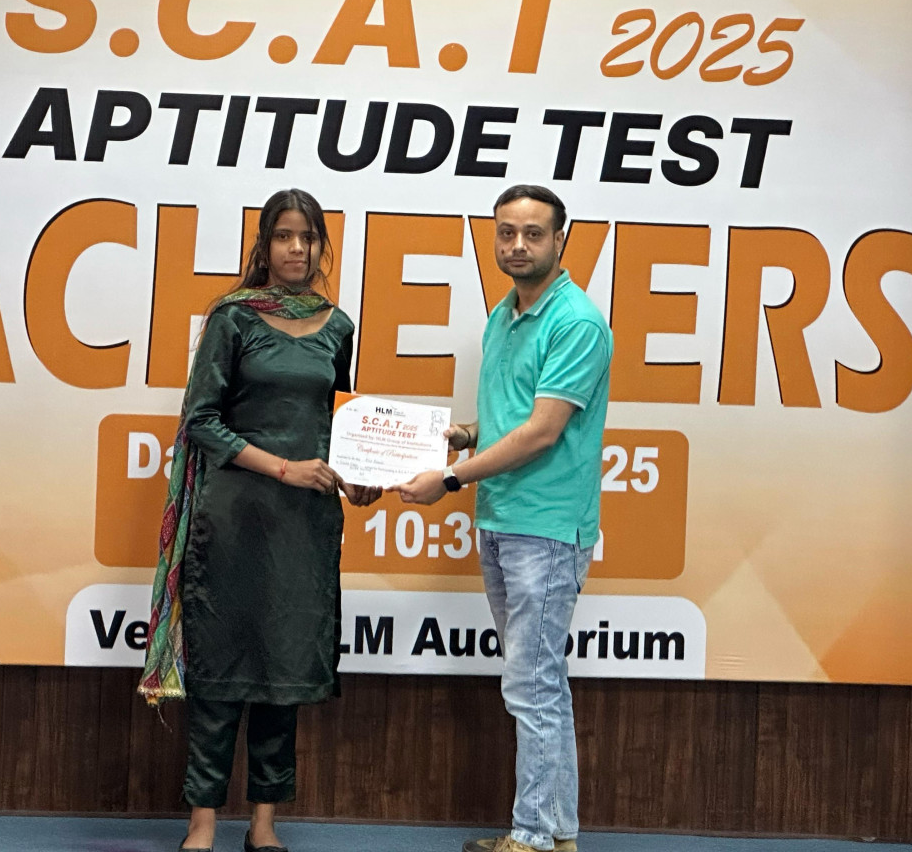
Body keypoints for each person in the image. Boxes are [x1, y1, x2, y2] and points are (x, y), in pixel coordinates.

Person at [139, 188, 380, 852]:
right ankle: (203, 823)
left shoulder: (338, 327)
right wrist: (283, 467)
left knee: (283, 672)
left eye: (308, 237)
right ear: (264, 245)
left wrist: (358, 475)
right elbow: (201, 421)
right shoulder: (234, 318)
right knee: (219, 670)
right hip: (234, 520)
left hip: (304, 527)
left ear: (320, 246)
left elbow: (336, 422)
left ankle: (264, 823)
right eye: (283, 236)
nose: (297, 248)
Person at [394, 184, 612, 852]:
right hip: (501, 519)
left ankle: (531, 837)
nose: (517, 245)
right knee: (541, 683)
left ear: (561, 240)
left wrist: (450, 478)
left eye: (533, 234)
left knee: (531, 685)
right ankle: (556, 833)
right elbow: (512, 418)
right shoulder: (503, 314)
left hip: (546, 528)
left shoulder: (576, 322)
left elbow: (542, 432)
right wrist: (463, 435)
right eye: (506, 232)